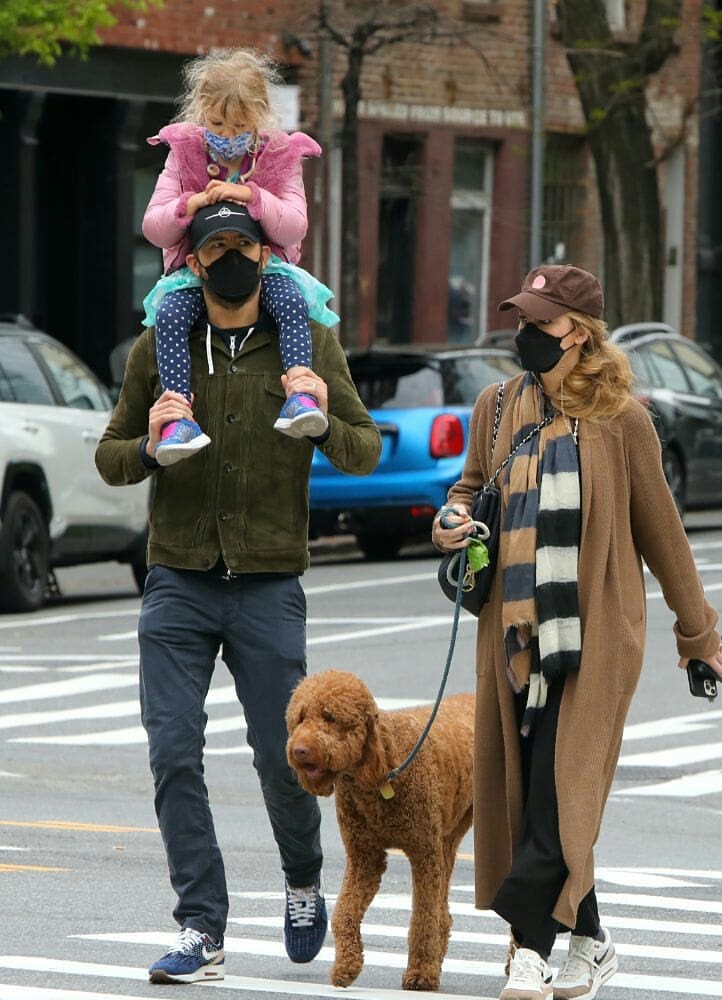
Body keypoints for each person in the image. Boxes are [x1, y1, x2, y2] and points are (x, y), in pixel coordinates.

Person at [95, 201, 381, 985]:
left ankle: (300, 880)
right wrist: (152, 445)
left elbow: (364, 448)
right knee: (173, 751)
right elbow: (111, 458)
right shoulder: (162, 347)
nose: (229, 257)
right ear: (192, 259)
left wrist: (320, 420)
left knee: (284, 754)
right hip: (179, 581)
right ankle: (201, 926)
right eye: (214, 244)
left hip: (267, 583)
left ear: (265, 258)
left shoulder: (307, 342)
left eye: (241, 245)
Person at [431, 264, 722, 1000]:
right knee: (532, 788)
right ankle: (590, 942)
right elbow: (469, 491)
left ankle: (527, 945)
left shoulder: (623, 420)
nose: (526, 334)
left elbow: (665, 537)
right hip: (515, 630)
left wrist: (699, 638)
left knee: (562, 792)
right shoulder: (497, 407)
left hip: (597, 638)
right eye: (522, 321)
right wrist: (451, 520)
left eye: (541, 323)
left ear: (580, 334)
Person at [141, 48, 340, 465]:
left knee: (290, 304)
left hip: (265, 270)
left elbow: (294, 226)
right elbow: (154, 227)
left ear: (260, 117)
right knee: (172, 316)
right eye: (216, 124)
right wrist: (189, 204)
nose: (226, 136)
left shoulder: (280, 157)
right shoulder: (183, 154)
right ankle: (179, 416)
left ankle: (300, 394)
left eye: (239, 126)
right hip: (197, 273)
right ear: (201, 113)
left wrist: (252, 195)